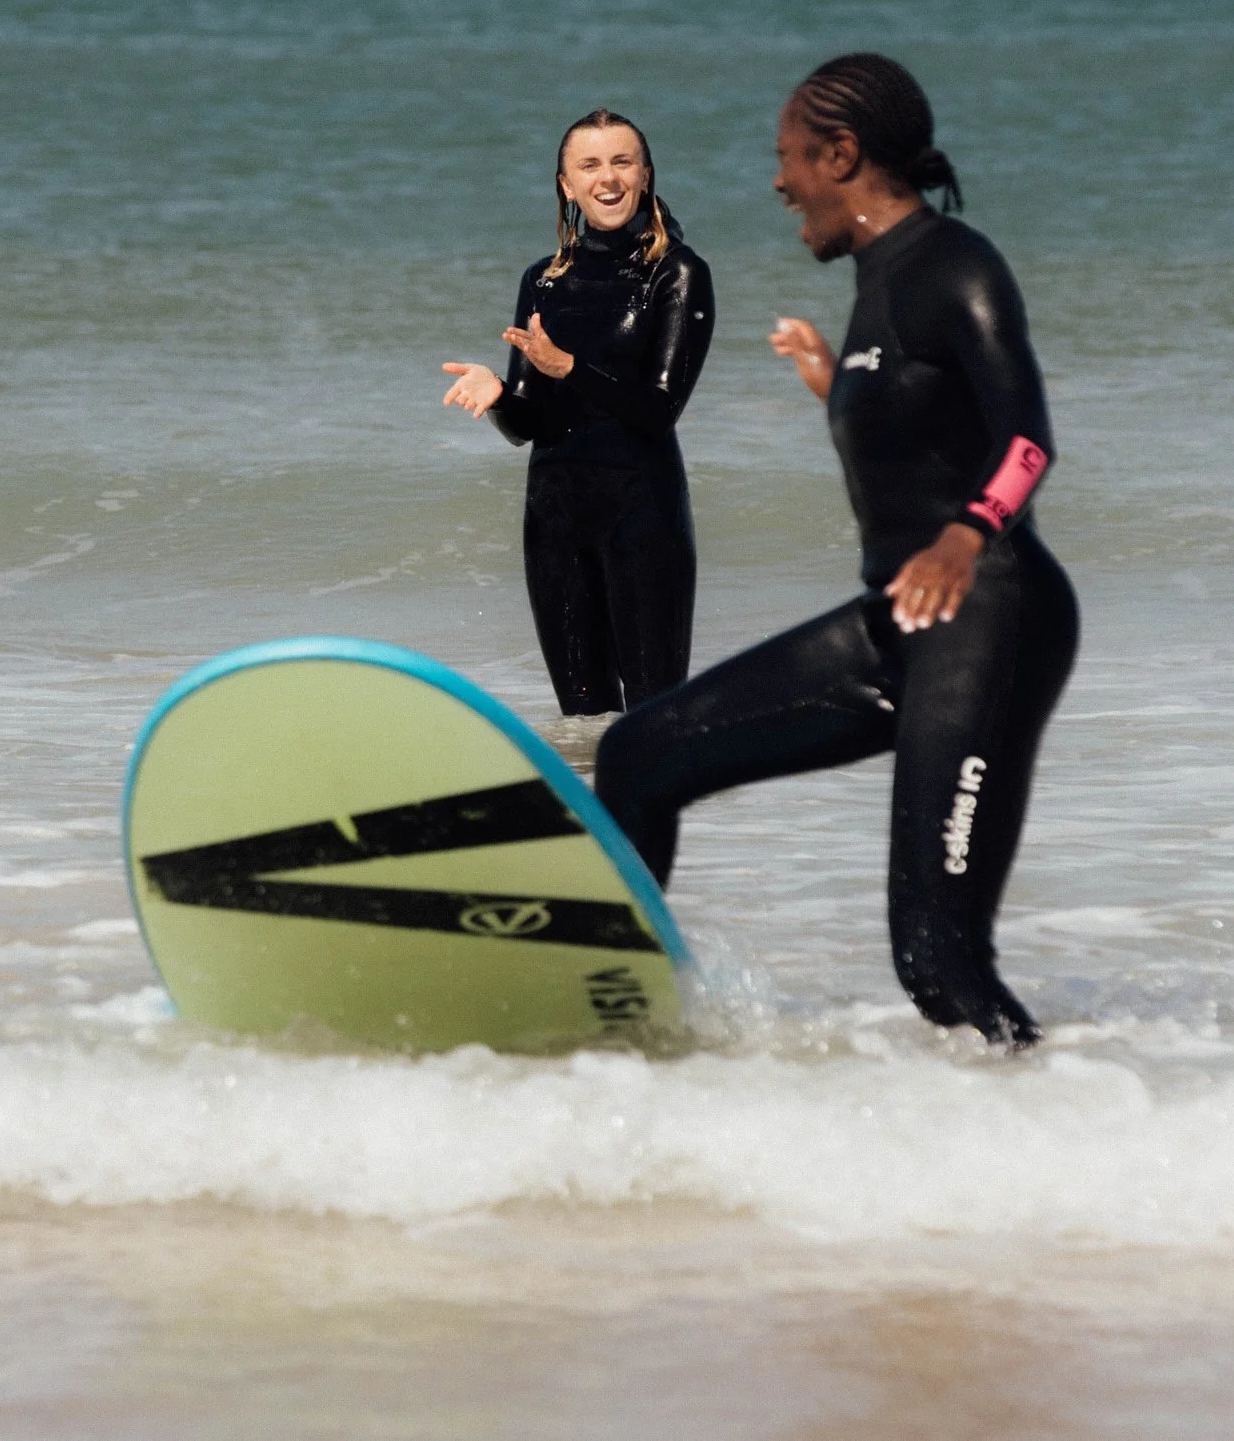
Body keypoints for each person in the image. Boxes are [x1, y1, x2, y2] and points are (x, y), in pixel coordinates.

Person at [594, 54, 1079, 1048]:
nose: (779, 182)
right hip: (903, 623)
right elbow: (917, 440)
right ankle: (615, 1012)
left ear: (842, 154)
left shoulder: (956, 264)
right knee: (639, 752)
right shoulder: (876, 287)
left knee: (938, 960)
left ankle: (1058, 1128)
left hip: (987, 614)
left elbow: (1025, 439)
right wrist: (832, 382)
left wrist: (966, 532)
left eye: (789, 158)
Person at [441, 109, 716, 720]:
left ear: (645, 175)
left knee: (652, 722)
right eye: (589, 165)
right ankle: (593, 818)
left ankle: (650, 820)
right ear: (566, 184)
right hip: (555, 524)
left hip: (642, 517)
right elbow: (527, 428)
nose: (607, 178)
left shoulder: (676, 274)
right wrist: (497, 398)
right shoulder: (542, 281)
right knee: (584, 727)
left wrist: (568, 368)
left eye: (622, 162)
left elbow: (657, 411)